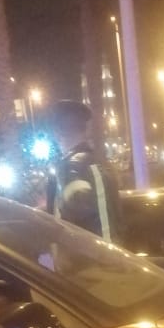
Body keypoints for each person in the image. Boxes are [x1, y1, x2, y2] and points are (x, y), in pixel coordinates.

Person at [48, 99, 120, 242]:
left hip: (86, 255)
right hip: (107, 253)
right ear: (85, 130)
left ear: (57, 132)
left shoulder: (70, 168)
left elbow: (66, 224)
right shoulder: (100, 163)